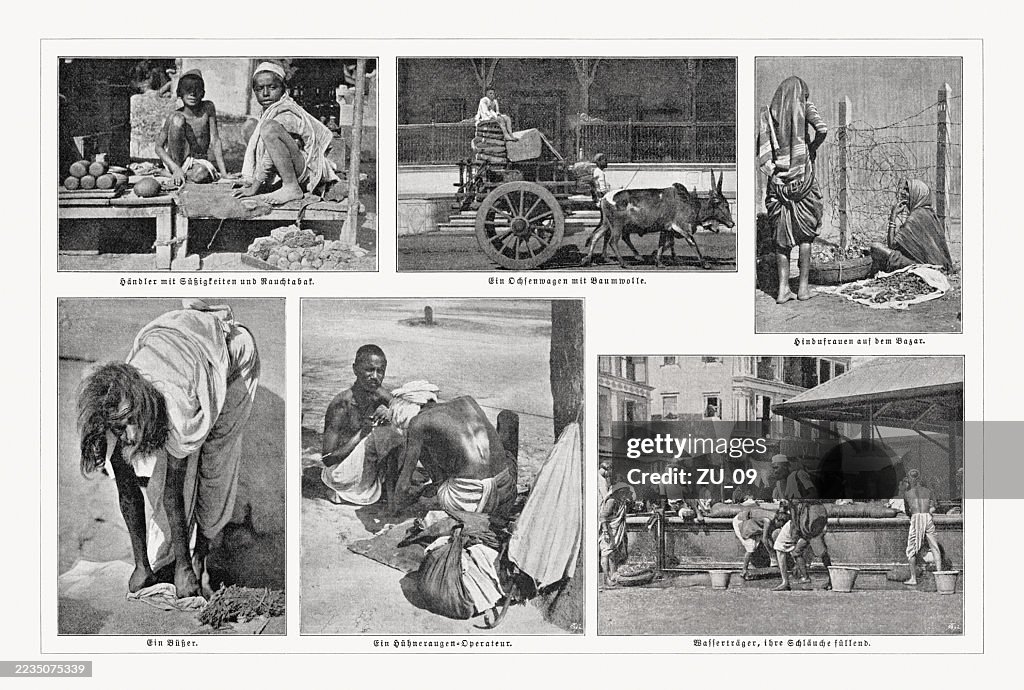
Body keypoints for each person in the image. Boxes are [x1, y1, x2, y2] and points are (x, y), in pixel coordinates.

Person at [76, 301, 259, 598]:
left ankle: (201, 554)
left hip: (233, 355)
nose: (130, 435)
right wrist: (140, 566)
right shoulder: (110, 409)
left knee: (213, 461)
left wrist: (185, 567)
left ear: (142, 406)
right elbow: (127, 491)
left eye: (132, 422)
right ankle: (168, 561)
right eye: (120, 428)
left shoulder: (174, 408)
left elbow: (174, 493)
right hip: (182, 349)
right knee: (169, 465)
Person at [756, 76, 829, 303]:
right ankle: (803, 288)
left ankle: (782, 289)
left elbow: (762, 151)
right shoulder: (805, 106)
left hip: (778, 186)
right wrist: (810, 149)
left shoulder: (766, 114)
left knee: (781, 238)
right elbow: (823, 129)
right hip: (802, 183)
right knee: (805, 235)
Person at [389, 396, 517, 516]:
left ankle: (439, 483)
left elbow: (403, 490)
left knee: (421, 500)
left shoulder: (417, 423)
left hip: (470, 502)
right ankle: (441, 483)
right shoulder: (467, 400)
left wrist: (399, 506)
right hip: (505, 489)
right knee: (507, 418)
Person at [235, 62, 340, 204]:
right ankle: (272, 182)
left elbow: (270, 156)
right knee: (251, 126)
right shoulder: (267, 112)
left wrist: (254, 188)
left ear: (284, 89)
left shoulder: (285, 112)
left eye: (272, 87)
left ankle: (291, 187)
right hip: (288, 168)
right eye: (260, 89)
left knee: (269, 128)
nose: (266, 93)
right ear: (254, 92)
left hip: (305, 171)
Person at [320, 344, 398, 505]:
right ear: (355, 369)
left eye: (380, 371)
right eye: (369, 370)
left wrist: (391, 412)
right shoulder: (342, 404)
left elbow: (403, 408)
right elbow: (327, 459)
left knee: (399, 427)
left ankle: (391, 490)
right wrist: (362, 434)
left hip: (363, 466)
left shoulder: (377, 392)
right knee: (386, 434)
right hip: (341, 472)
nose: (375, 376)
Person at [771, 454, 835, 591]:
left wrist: (799, 501)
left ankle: (832, 579)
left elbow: (814, 493)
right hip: (797, 521)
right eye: (773, 468)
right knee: (785, 548)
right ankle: (788, 581)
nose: (774, 471)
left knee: (821, 552)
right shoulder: (779, 485)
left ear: (785, 466)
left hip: (811, 520)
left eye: (777, 467)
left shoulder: (799, 475)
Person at [154, 70, 228, 186]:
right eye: (187, 89)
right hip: (176, 162)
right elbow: (158, 147)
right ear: (179, 93)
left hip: (198, 160)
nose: (192, 94)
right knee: (177, 119)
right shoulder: (174, 116)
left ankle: (172, 174)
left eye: (197, 90)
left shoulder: (208, 108)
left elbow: (215, 140)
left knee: (201, 174)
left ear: (202, 93)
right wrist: (175, 168)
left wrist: (224, 173)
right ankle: (176, 172)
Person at [870, 179, 954, 272]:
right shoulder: (930, 214)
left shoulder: (916, 217)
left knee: (876, 247)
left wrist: (893, 216)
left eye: (907, 190)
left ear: (917, 194)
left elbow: (892, 245)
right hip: (933, 264)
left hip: (920, 265)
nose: (903, 193)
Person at [902, 469, 943, 586]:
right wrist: (928, 512)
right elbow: (935, 506)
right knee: (934, 546)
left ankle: (913, 578)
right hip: (927, 517)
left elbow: (907, 511)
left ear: (910, 479)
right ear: (919, 478)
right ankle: (939, 576)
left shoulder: (907, 494)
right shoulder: (928, 491)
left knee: (911, 549)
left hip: (916, 518)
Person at [732, 505, 783, 579]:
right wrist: (772, 554)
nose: (780, 527)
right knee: (751, 547)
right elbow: (765, 539)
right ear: (777, 521)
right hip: (741, 521)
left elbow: (768, 538)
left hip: (752, 523)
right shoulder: (767, 521)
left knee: (757, 544)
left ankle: (774, 563)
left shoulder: (775, 517)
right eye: (781, 525)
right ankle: (744, 570)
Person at [600, 479, 634, 585]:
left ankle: (614, 575)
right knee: (606, 553)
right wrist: (605, 532)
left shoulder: (621, 501)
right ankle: (606, 578)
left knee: (613, 554)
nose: (626, 494)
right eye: (624, 492)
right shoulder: (612, 501)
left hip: (616, 530)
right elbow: (603, 516)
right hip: (609, 529)